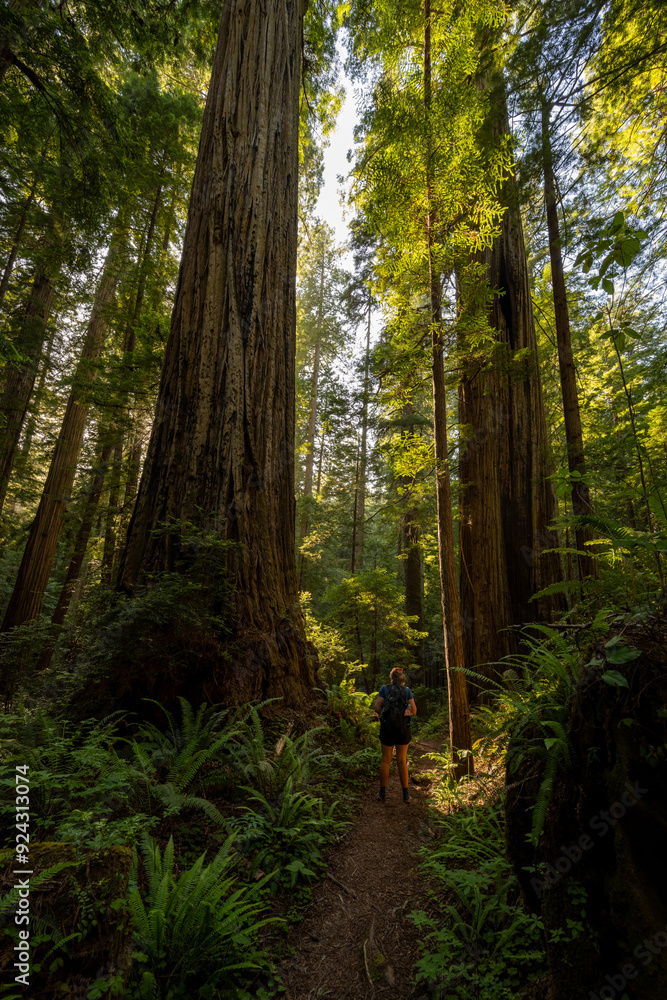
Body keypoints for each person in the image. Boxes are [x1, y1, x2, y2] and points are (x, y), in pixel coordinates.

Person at [373, 666, 417, 804]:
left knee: (386, 760)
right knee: (401, 761)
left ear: (391, 678)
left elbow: (377, 708)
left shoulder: (384, 689)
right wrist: (403, 714)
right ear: (402, 679)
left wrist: (385, 712)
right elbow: (414, 711)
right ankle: (405, 795)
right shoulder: (407, 691)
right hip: (403, 730)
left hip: (387, 729)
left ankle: (382, 792)